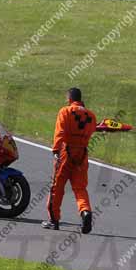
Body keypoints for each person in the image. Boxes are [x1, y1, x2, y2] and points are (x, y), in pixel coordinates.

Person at [43, 87, 97, 233]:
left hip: (66, 152)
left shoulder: (65, 111)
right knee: (80, 188)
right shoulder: (91, 115)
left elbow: (60, 132)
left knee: (57, 187)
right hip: (82, 154)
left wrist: (55, 150)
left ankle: (54, 220)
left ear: (70, 98)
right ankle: (85, 211)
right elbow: (92, 130)